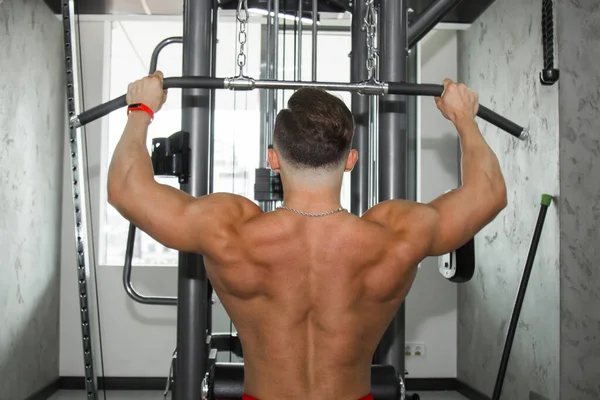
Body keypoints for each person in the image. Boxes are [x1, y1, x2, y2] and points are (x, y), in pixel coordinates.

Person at [108, 71, 507, 400]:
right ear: (350, 161)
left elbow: (126, 188)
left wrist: (141, 109)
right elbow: (488, 193)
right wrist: (464, 119)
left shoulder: (229, 230)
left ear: (273, 158)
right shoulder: (396, 234)